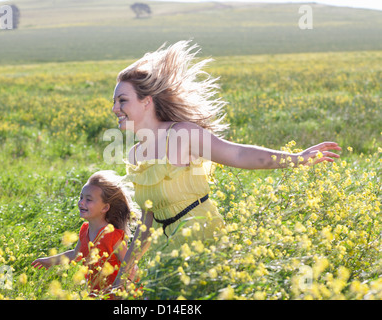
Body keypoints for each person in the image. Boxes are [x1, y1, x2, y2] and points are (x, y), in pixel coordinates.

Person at [111, 40, 342, 287]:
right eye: (114, 102)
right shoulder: (136, 155)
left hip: (201, 235)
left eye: (122, 100)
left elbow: (239, 155)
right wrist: (123, 275)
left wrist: (296, 159)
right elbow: (148, 221)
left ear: (147, 101)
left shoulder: (182, 134)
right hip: (166, 247)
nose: (115, 109)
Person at [31, 170, 138, 294]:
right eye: (81, 197)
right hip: (96, 294)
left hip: (116, 295)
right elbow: (76, 255)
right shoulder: (85, 230)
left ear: (105, 207)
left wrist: (122, 288)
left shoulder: (111, 235)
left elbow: (131, 265)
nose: (81, 202)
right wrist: (49, 261)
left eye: (88, 199)